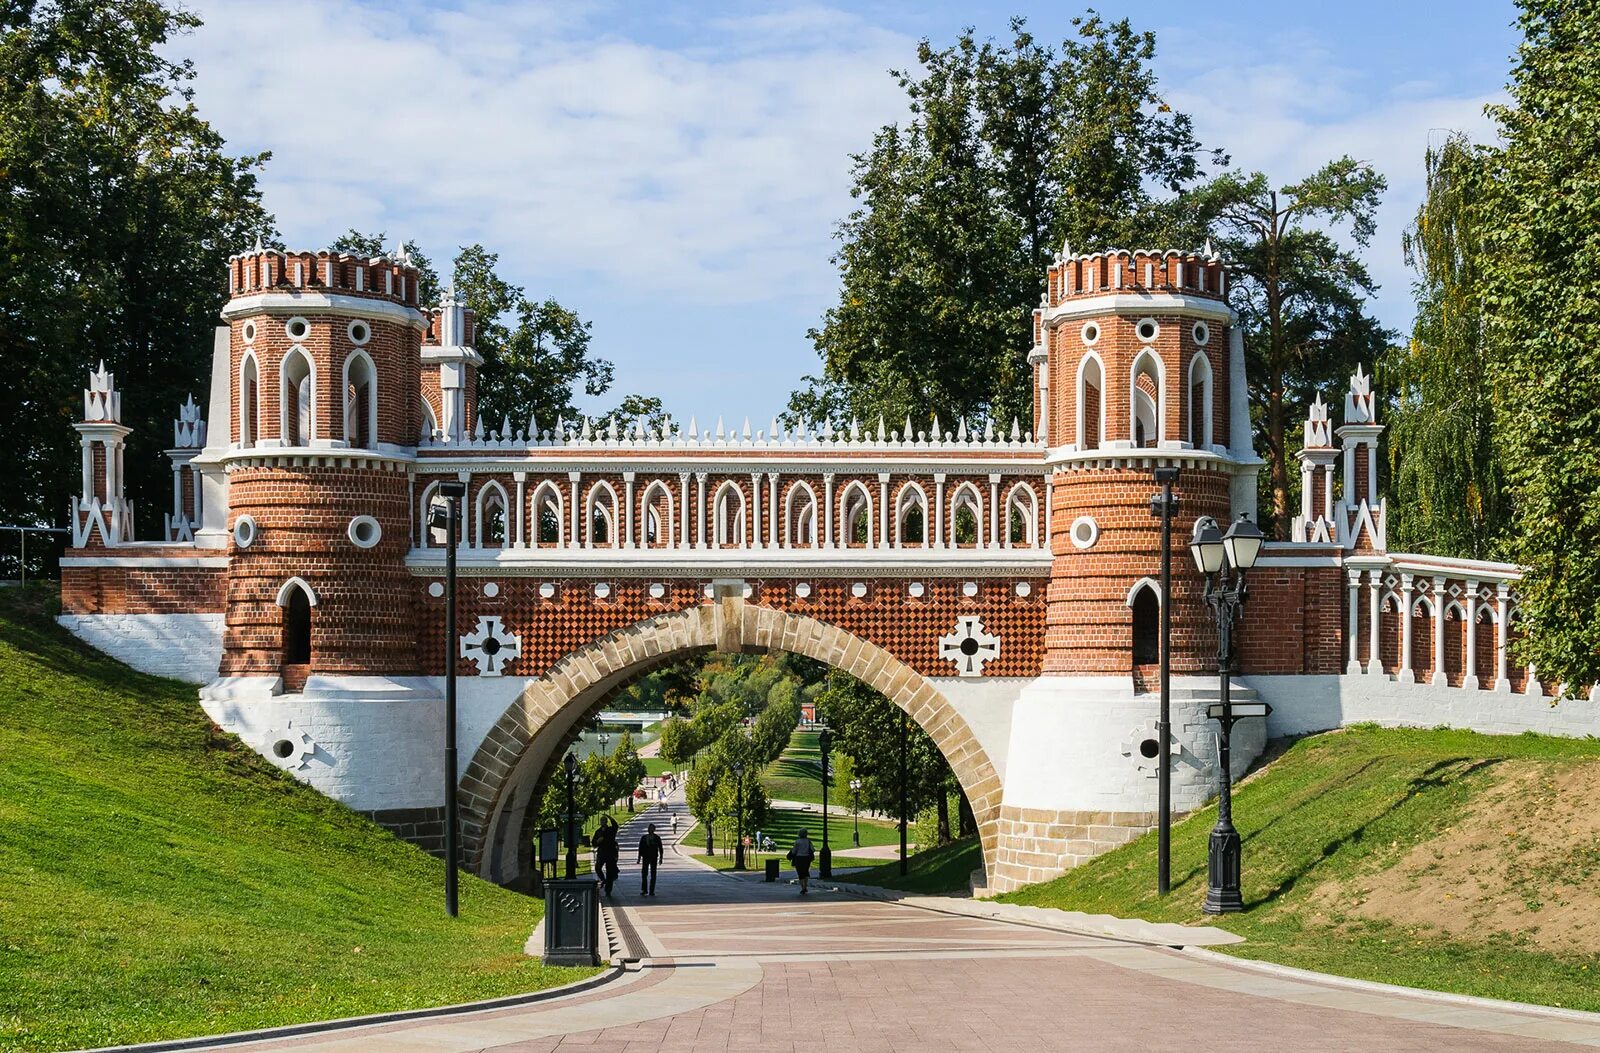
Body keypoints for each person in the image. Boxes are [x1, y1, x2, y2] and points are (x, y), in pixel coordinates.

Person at [592, 816, 620, 897]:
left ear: (606, 822)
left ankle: (608, 890)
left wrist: (610, 817)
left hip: (610, 853)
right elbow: (594, 843)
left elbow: (615, 825)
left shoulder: (611, 830)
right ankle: (603, 880)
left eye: (604, 820)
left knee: (609, 873)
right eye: (601, 821)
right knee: (598, 868)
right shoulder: (598, 832)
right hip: (602, 853)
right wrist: (597, 841)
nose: (602, 822)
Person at [638, 822, 664, 896]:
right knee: (644, 874)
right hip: (645, 857)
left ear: (654, 829)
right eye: (649, 828)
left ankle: (651, 890)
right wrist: (639, 858)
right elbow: (640, 848)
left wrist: (661, 858)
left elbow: (660, 848)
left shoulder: (657, 838)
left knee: (653, 874)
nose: (650, 830)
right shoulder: (644, 837)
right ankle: (644, 890)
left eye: (652, 828)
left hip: (653, 857)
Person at [787, 829, 815, 895]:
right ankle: (805, 886)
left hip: (799, 858)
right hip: (807, 858)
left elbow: (794, 851)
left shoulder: (797, 841)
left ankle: (802, 888)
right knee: (806, 872)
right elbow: (813, 849)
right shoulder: (808, 841)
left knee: (800, 873)